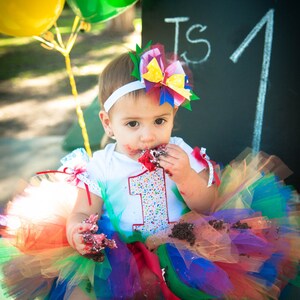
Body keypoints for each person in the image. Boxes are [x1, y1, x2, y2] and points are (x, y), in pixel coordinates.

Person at [0, 43, 299, 300]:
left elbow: (207, 205)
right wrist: (77, 232)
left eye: (159, 121)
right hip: (122, 253)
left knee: (201, 287)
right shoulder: (101, 166)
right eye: (133, 124)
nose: (148, 136)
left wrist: (185, 176)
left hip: (182, 245)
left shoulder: (181, 152)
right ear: (107, 124)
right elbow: (82, 211)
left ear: (173, 116)